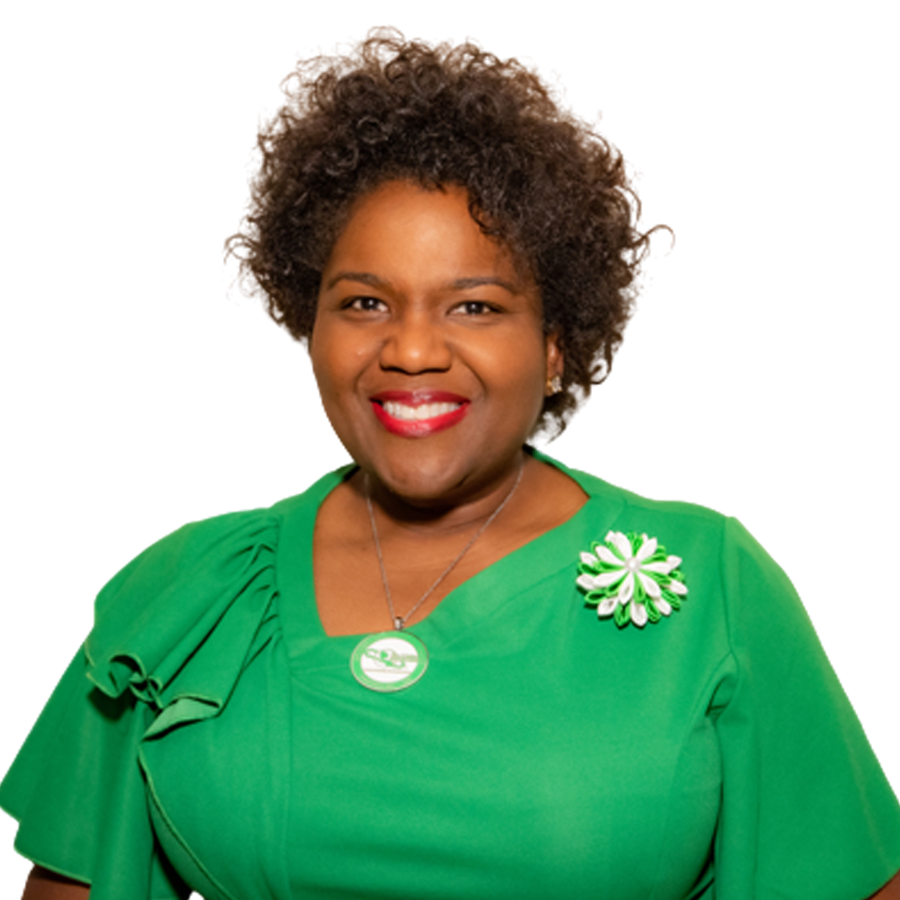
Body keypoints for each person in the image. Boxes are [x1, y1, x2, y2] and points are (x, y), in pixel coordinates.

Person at [4, 42, 900, 900]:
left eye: (475, 305)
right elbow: (66, 884)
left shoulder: (714, 590)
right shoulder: (185, 597)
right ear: (312, 331)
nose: (413, 348)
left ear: (554, 348)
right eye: (365, 302)